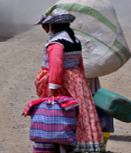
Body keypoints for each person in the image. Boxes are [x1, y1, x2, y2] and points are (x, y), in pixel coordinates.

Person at [32, 8, 104, 153]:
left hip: (63, 82)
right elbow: (80, 64)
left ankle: (58, 142)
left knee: (60, 112)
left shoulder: (56, 43)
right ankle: (81, 143)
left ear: (53, 25)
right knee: (79, 112)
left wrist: (53, 87)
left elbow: (56, 66)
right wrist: (82, 84)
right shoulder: (74, 40)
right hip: (77, 81)